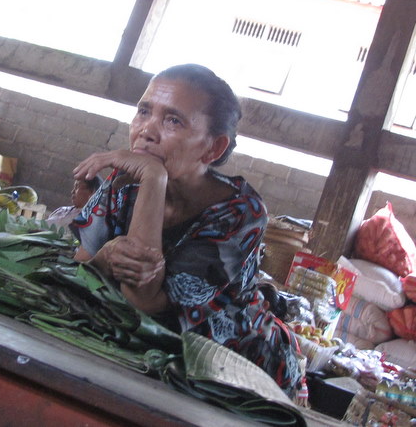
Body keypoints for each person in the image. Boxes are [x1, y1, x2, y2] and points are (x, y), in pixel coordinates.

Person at [71, 63, 305, 399]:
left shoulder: (241, 212)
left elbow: (144, 300)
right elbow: (79, 271)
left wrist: (153, 177)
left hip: (236, 377)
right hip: (156, 358)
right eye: (143, 111)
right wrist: (105, 258)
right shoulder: (122, 184)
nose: (146, 131)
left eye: (172, 121)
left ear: (213, 148)